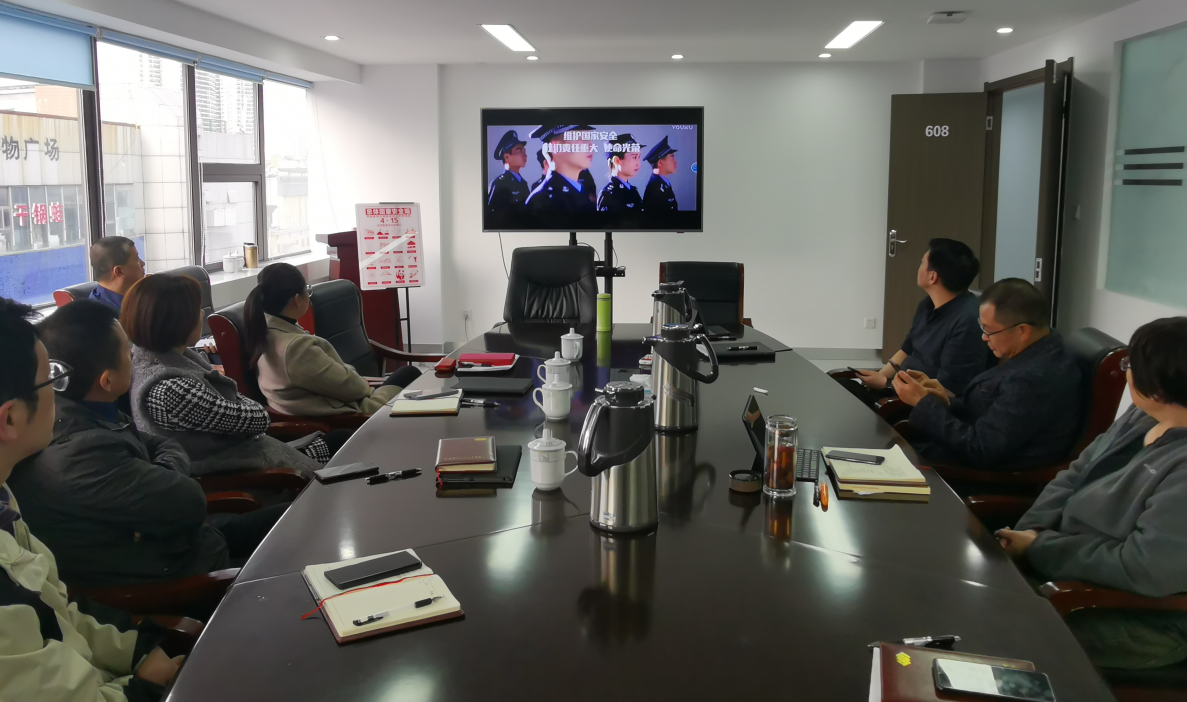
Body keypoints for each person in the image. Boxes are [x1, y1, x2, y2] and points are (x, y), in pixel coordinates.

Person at [10, 299, 284, 591]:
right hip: (183, 573)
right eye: (127, 353)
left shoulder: (84, 408)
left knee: (297, 517)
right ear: (107, 380)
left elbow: (160, 443)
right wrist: (164, 471)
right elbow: (189, 500)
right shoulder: (80, 452)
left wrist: (160, 471)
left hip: (185, 540)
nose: (135, 357)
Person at [0, 296, 182, 702]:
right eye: (49, 380)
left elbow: (57, 609)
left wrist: (139, 650)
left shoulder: (4, 498)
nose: (59, 393)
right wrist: (146, 687)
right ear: (10, 417)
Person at [997, 317, 1187, 670]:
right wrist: (1029, 533)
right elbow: (1075, 474)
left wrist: (1039, 548)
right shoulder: (1143, 414)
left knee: (992, 630)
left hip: (1139, 616)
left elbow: (1142, 567)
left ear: (1159, 388)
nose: (1128, 371)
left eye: (1132, 364)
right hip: (1066, 570)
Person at [121, 274, 324, 477]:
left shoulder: (155, 358)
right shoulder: (171, 391)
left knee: (333, 444)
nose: (202, 314)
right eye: (196, 309)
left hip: (249, 454)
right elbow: (258, 418)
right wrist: (237, 397)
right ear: (178, 321)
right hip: (244, 473)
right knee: (334, 452)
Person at [893, 278, 1081, 470]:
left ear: (1022, 331)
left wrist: (923, 403)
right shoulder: (1044, 347)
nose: (984, 337)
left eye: (989, 330)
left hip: (974, 476)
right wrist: (945, 400)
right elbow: (990, 414)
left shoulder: (1034, 380)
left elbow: (979, 449)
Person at [248, 263, 422, 417]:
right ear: (296, 300)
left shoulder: (265, 331)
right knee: (410, 374)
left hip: (322, 404)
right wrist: (359, 380)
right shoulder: (296, 348)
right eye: (307, 291)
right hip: (350, 415)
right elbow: (353, 389)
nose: (308, 296)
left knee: (406, 375)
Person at [846, 239, 990, 405]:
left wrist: (886, 385)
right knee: (841, 387)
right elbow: (907, 348)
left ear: (932, 277)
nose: (919, 267)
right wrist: (882, 375)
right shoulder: (928, 304)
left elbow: (948, 389)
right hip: (899, 385)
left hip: (916, 403)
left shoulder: (967, 322)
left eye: (922, 263)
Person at [526, 124, 597, 213]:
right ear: (556, 147)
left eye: (589, 139)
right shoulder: (544, 199)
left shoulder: (580, 188)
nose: (591, 145)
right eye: (580, 138)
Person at [88, 236, 145, 312]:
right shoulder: (98, 315)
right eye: (137, 259)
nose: (143, 263)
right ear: (119, 271)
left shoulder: (140, 296)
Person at [486, 129, 530, 224]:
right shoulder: (499, 183)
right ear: (506, 157)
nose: (525, 155)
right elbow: (491, 216)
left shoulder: (523, 183)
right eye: (519, 151)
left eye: (524, 151)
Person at [597, 133, 645, 215]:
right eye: (634, 157)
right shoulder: (608, 195)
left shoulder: (633, 191)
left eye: (639, 157)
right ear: (617, 160)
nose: (638, 163)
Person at [642, 136, 679, 214]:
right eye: (672, 158)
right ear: (660, 162)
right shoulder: (655, 187)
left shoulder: (663, 183)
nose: (675, 162)